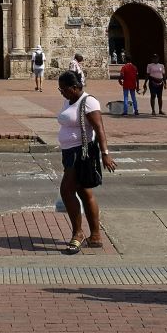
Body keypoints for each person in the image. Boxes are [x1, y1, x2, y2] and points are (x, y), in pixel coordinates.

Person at [57, 70, 116, 253]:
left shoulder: (89, 101)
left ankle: (78, 233)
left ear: (75, 87)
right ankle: (96, 236)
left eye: (64, 89)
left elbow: (99, 128)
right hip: (69, 152)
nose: (62, 92)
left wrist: (105, 153)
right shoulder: (69, 100)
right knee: (83, 191)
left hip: (81, 153)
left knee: (66, 191)